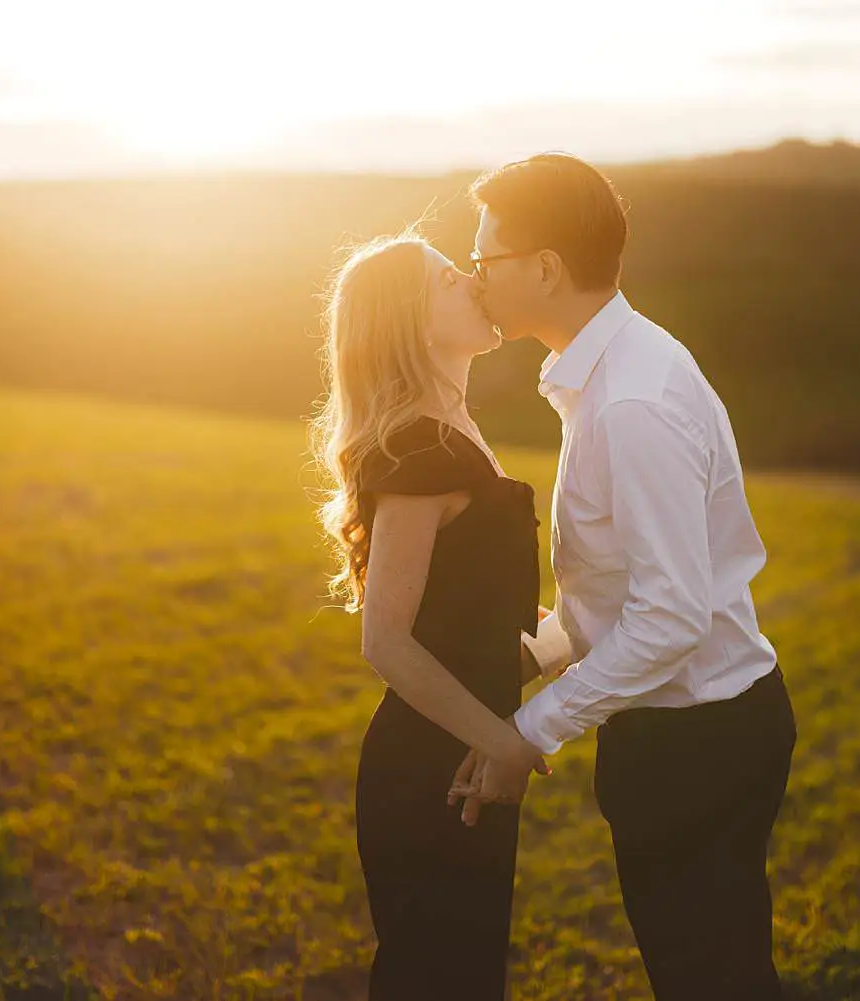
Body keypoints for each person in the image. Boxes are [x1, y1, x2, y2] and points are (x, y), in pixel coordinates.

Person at [451, 153, 799, 1001]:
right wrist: (535, 652)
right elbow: (623, 590)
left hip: (697, 743)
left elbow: (671, 616)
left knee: (713, 982)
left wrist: (529, 730)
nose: (473, 278)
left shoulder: (632, 401)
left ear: (544, 268)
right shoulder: (611, 374)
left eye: (484, 259)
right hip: (689, 731)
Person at [309, 232, 549, 1000]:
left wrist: (598, 630)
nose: (476, 282)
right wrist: (501, 742)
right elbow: (384, 639)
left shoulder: (457, 433)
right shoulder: (418, 451)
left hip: (464, 760)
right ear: (411, 322)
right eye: (451, 279)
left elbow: (482, 620)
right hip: (429, 770)